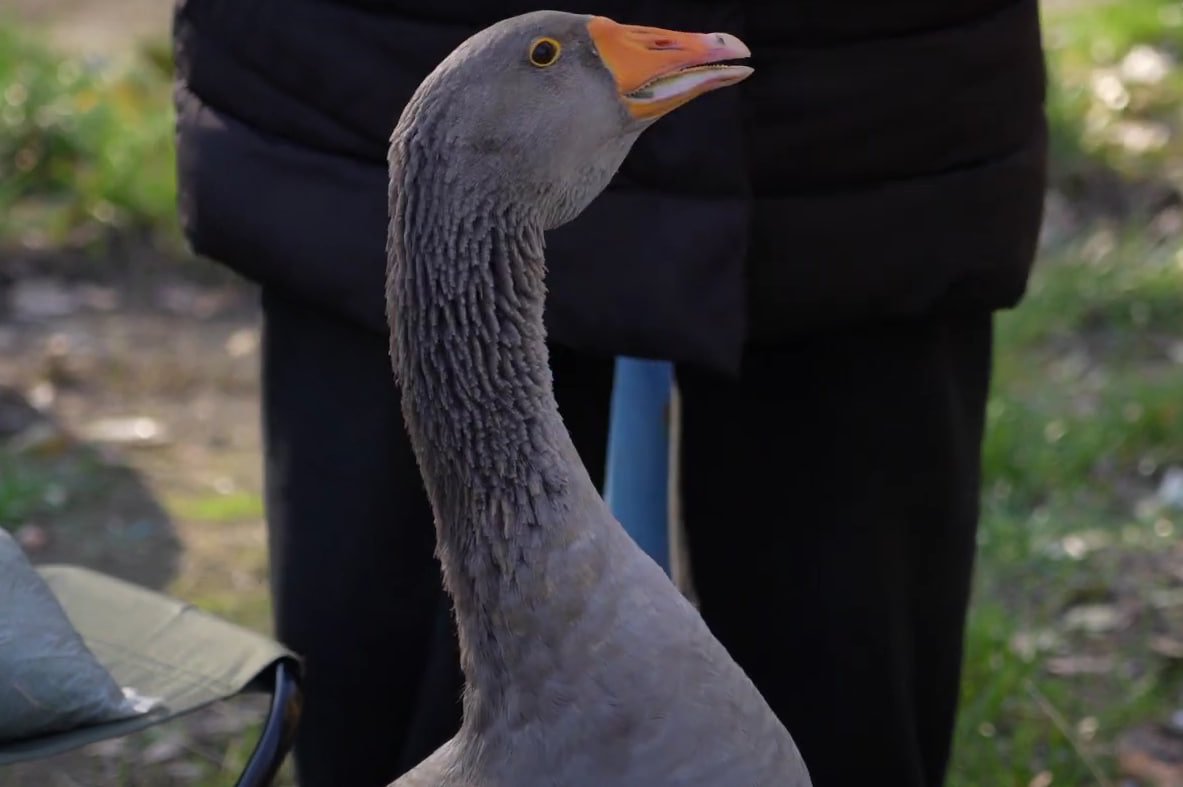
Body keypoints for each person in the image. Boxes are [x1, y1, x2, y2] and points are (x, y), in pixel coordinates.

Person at [172, 1, 1046, 784]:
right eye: (558, 56)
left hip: (864, 140)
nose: (665, 41)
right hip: (349, 74)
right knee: (384, 664)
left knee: (852, 655)